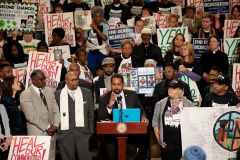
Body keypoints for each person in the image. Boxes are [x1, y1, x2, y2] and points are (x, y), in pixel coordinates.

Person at [98, 73, 148, 160]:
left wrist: (143, 117)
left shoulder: (132, 95)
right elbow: (101, 117)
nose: (116, 87)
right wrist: (109, 106)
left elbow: (141, 110)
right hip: (111, 138)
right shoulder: (104, 98)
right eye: (114, 84)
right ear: (111, 85)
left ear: (123, 84)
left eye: (118, 84)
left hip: (130, 135)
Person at [20, 70, 60, 160]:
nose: (44, 81)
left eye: (44, 79)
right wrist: (49, 127)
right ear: (33, 80)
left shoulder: (49, 91)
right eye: (41, 79)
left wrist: (56, 125)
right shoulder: (25, 94)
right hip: (37, 135)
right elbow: (31, 116)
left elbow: (56, 110)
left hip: (51, 135)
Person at [55, 72, 94, 160]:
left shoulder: (86, 93)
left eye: (77, 79)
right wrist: (58, 132)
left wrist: (90, 131)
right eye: (73, 80)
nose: (76, 82)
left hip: (83, 133)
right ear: (66, 81)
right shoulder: (57, 95)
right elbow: (54, 114)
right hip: (65, 134)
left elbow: (91, 114)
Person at [153, 80, 194, 160]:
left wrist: (187, 111)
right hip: (167, 142)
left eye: (173, 88)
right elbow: (155, 121)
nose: (170, 89)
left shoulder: (189, 104)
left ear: (180, 91)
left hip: (183, 142)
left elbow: (194, 121)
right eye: (170, 87)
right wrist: (158, 138)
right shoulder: (160, 103)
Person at [76, 6, 108, 76]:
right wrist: (80, 33)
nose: (97, 18)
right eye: (95, 16)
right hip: (91, 52)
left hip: (101, 52)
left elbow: (105, 38)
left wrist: (96, 29)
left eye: (99, 16)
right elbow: (86, 39)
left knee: (101, 71)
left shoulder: (105, 26)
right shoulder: (88, 25)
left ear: (102, 17)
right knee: (91, 71)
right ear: (93, 16)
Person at [0, 88, 12, 160]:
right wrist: (4, 138)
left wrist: (7, 140)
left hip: (4, 142)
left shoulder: (1, 107)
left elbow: (6, 124)